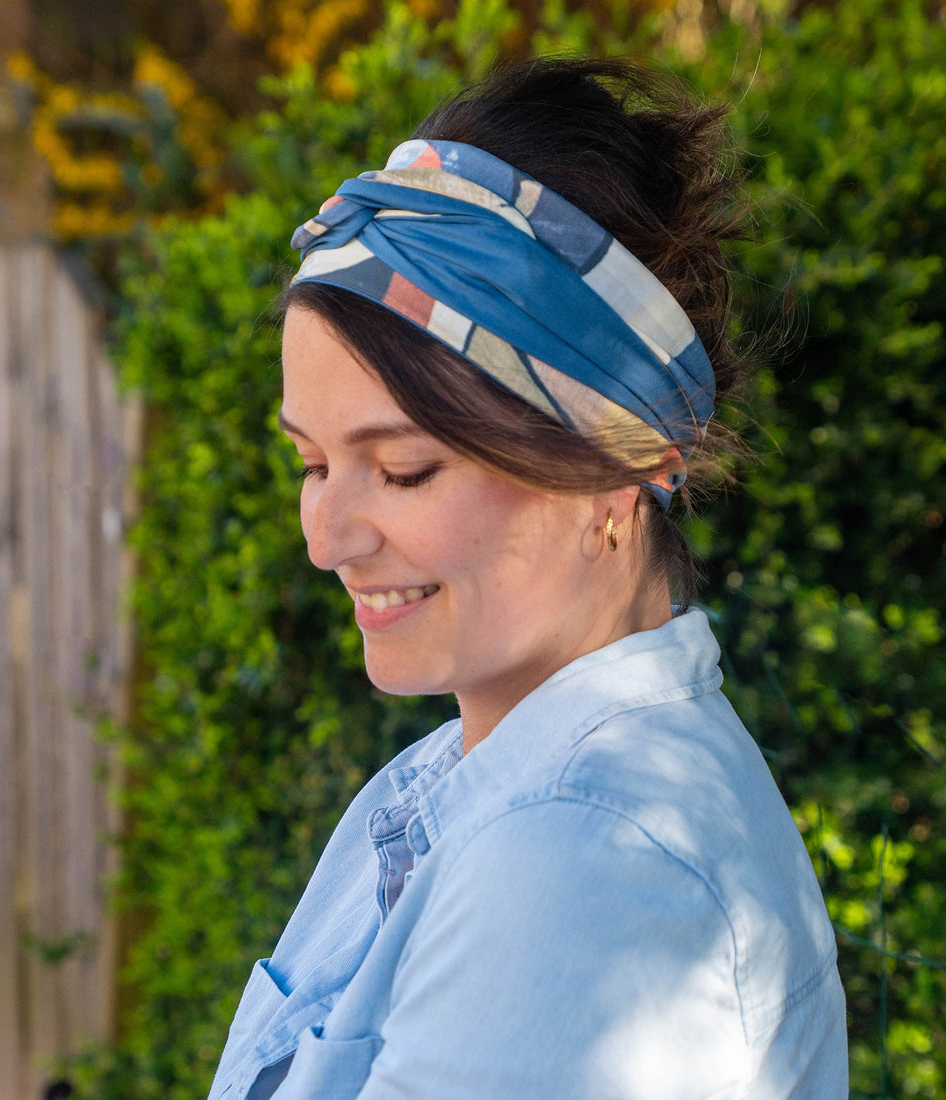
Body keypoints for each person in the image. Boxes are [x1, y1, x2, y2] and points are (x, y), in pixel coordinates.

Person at [208, 57, 847, 1100]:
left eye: (405, 469)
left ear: (608, 464)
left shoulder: (585, 860)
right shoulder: (453, 783)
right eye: (311, 463)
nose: (324, 537)